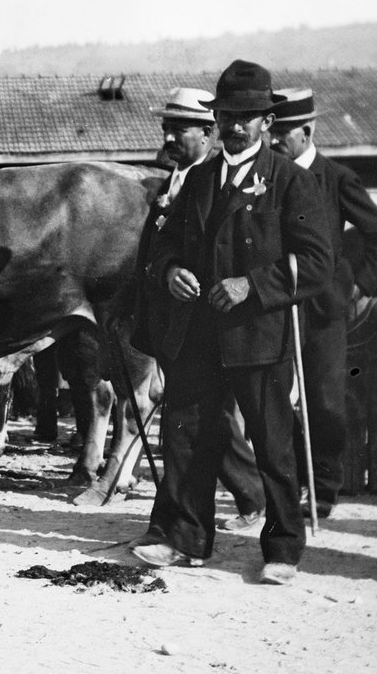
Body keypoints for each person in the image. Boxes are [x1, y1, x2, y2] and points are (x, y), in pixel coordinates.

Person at [128, 60, 332, 586]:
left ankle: (283, 549)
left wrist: (252, 286)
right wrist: (171, 271)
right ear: (215, 118)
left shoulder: (290, 182)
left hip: (259, 339)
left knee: (272, 445)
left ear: (268, 122)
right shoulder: (197, 180)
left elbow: (315, 263)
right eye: (226, 116)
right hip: (197, 336)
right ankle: (187, 540)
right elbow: (167, 246)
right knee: (189, 439)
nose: (235, 126)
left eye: (248, 117)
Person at [130, 87, 266, 534]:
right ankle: (242, 500)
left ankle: (200, 516)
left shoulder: (215, 182)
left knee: (198, 420)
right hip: (171, 320)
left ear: (209, 133)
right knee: (191, 420)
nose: (168, 138)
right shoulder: (174, 180)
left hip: (210, 325)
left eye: (179, 129)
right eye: (165, 128)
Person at [268, 88, 377, 519]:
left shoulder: (337, 178)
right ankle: (289, 485)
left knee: (324, 400)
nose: (274, 140)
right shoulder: (266, 176)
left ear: (307, 131)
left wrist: (358, 285)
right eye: (272, 130)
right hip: (274, 305)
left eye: (283, 132)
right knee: (273, 400)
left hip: (323, 309)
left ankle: (323, 488)